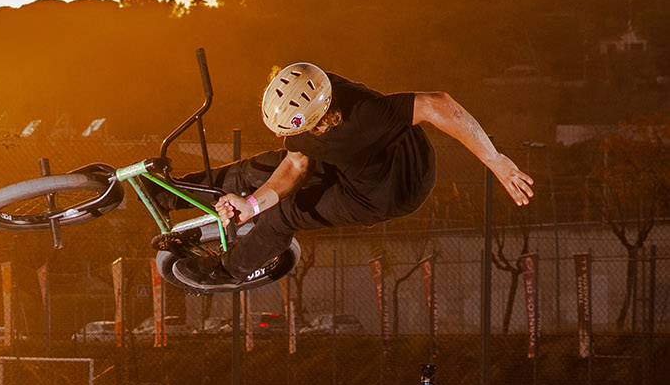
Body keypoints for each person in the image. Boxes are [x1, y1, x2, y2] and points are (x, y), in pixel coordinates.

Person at [172, 62, 533, 292]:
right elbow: (294, 167)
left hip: (390, 191)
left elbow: (440, 104)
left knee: (284, 213)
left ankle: (228, 270)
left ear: (319, 122)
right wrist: (251, 205)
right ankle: (171, 192)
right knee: (260, 169)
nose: (293, 139)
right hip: (364, 160)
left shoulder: (367, 116)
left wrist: (496, 160)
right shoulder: (315, 87)